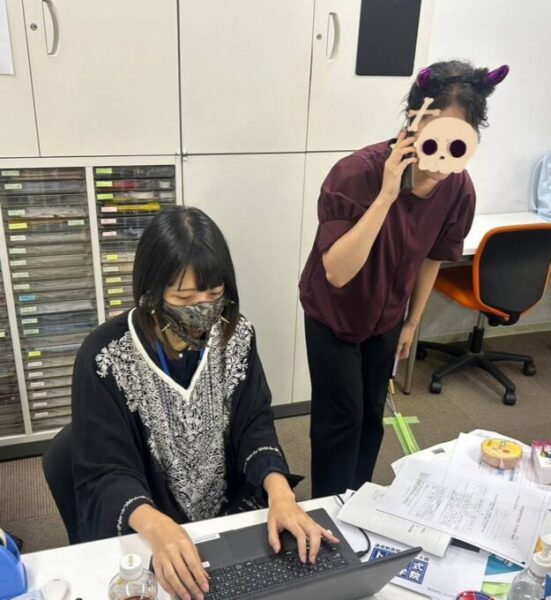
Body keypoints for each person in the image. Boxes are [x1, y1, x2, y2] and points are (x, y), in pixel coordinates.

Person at [71, 206, 338, 600]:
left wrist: (281, 494)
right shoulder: (104, 356)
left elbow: (254, 424)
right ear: (150, 292)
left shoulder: (236, 335)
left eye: (214, 295)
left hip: (229, 513)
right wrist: (158, 528)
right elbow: (106, 471)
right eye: (184, 297)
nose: (203, 311)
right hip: (151, 522)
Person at [299, 60, 509, 498]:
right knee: (342, 418)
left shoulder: (458, 189)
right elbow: (337, 271)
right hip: (335, 314)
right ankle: (328, 507)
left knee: (371, 413)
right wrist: (387, 194)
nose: (443, 156)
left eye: (459, 140)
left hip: (389, 316)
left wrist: (412, 323)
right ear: (413, 121)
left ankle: (357, 499)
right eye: (434, 132)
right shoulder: (356, 174)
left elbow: (433, 257)